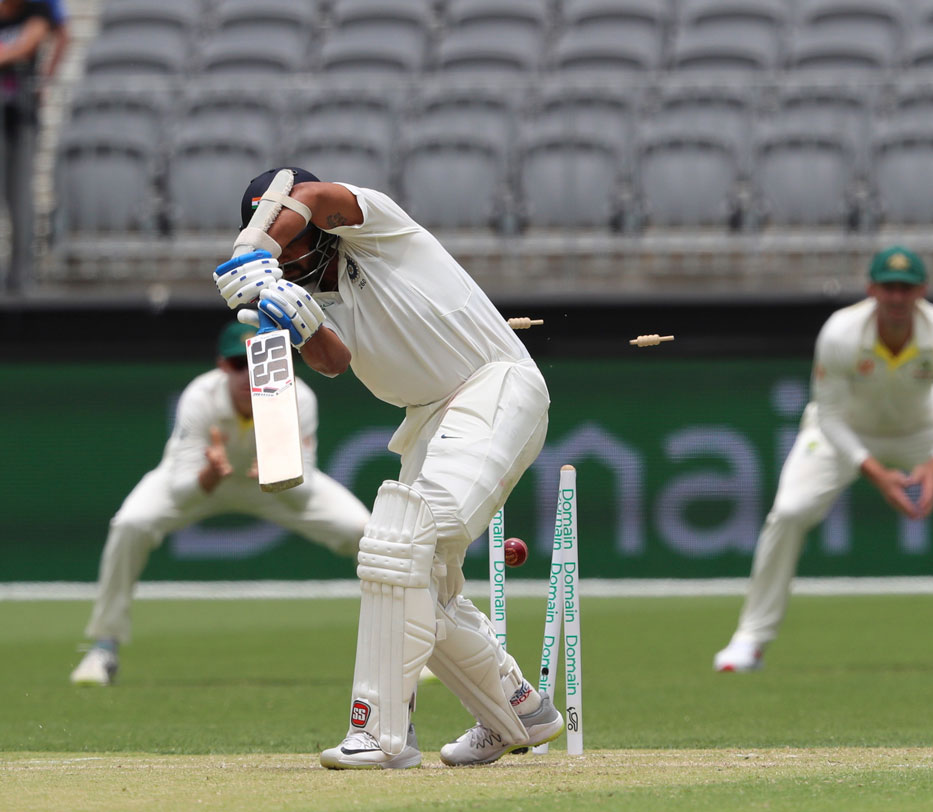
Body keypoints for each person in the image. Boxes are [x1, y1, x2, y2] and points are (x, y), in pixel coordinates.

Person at [213, 167, 561, 770]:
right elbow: (332, 362)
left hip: (492, 385)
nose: (287, 252)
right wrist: (287, 312)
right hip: (428, 418)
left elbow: (312, 196)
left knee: (405, 542)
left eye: (287, 237)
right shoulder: (302, 291)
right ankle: (518, 707)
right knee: (411, 571)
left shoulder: (376, 227)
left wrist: (255, 255)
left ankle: (380, 734)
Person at [714, 246, 933, 672]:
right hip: (844, 432)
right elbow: (827, 414)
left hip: (926, 431)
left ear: (921, 290)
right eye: (888, 287)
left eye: (905, 288)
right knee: (789, 511)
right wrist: (877, 473)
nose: (897, 297)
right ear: (871, 289)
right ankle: (750, 640)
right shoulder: (840, 334)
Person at [70, 321, 371, 686]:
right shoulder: (200, 396)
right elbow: (181, 489)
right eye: (237, 364)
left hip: (274, 488)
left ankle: (405, 651)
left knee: (367, 535)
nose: (247, 375)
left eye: (257, 366)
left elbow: (304, 491)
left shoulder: (298, 398)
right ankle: (103, 648)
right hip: (203, 482)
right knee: (130, 525)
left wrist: (282, 477)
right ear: (222, 366)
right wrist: (210, 474)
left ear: (278, 367)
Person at [0, 0, 51, 295]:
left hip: (19, 118)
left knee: (20, 199)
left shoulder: (37, 10)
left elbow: (28, 44)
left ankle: (21, 276)